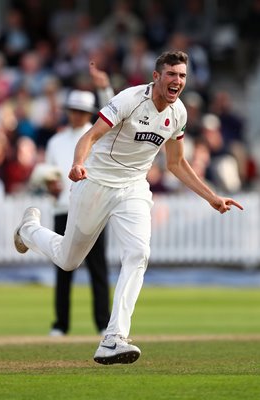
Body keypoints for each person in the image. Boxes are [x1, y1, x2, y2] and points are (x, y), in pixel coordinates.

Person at [14, 50, 243, 365]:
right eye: (172, 74)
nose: (177, 81)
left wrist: (211, 196)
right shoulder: (129, 99)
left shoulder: (179, 114)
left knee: (138, 254)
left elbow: (176, 163)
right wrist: (78, 164)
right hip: (96, 182)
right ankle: (29, 230)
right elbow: (90, 136)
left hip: (134, 187)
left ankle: (113, 338)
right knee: (68, 261)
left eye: (182, 76)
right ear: (156, 76)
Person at [44, 63, 113, 336]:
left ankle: (102, 324)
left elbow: (116, 110)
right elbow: (49, 175)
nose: (75, 115)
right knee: (63, 268)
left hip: (94, 206)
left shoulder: (99, 137)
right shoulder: (55, 141)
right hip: (63, 207)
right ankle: (61, 324)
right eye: (72, 111)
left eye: (81, 111)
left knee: (98, 269)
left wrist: (103, 86)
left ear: (88, 114)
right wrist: (49, 187)